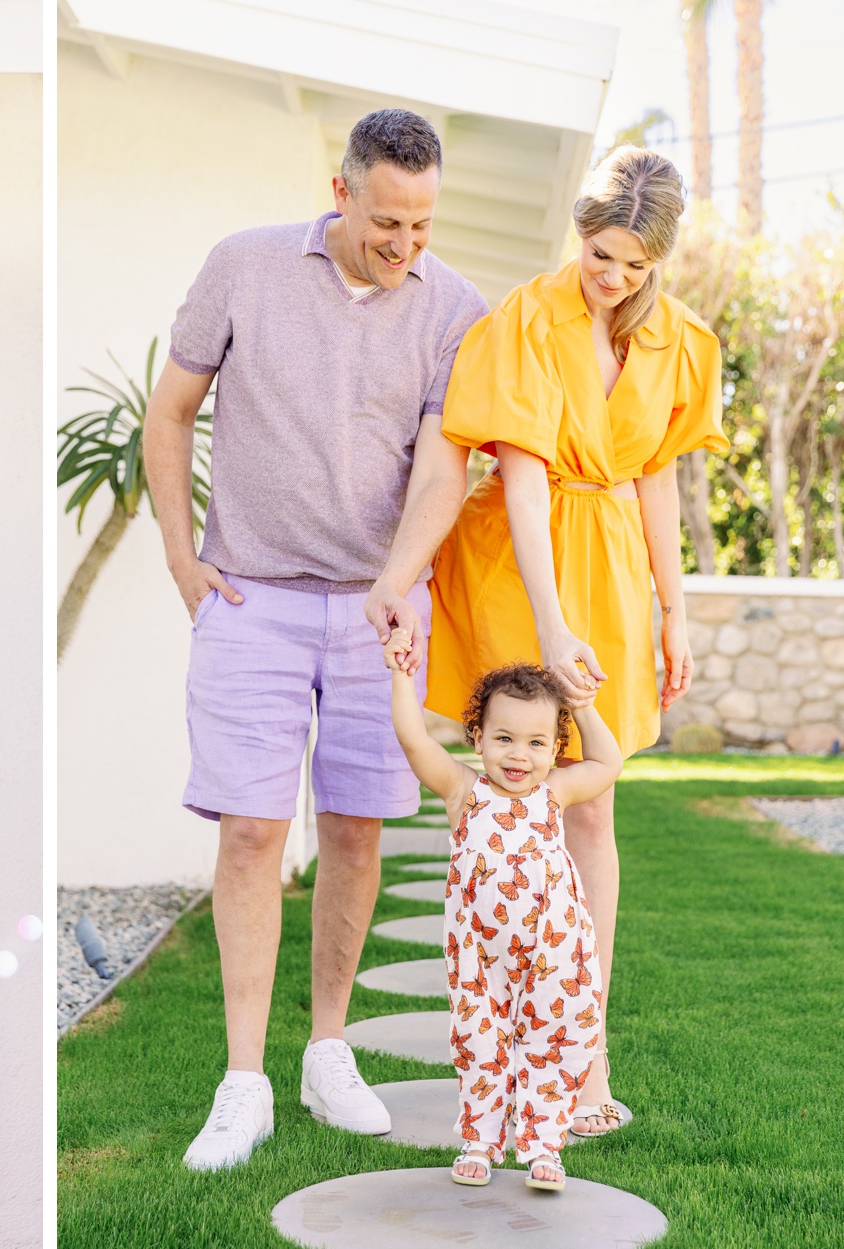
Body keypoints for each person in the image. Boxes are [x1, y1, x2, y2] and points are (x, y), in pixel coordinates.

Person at [143, 108, 491, 1170]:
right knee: (250, 830)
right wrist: (177, 554)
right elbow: (168, 413)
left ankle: (326, 1048)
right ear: (339, 193)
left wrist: (396, 581)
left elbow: (442, 466)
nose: (404, 246)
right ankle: (241, 1079)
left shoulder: (454, 308)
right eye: (388, 221)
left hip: (374, 607)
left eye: (422, 226)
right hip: (248, 595)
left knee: (353, 828)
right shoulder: (243, 267)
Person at [426, 146, 725, 1137]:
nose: (613, 278)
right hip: (520, 564)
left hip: (611, 575)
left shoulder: (680, 342)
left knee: (590, 813)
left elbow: (654, 482)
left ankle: (580, 1052)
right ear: (578, 232)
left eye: (636, 265)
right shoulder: (523, 318)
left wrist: (673, 611)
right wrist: (549, 627)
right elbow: (513, 471)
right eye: (602, 255)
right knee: (510, 798)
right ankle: (495, 1045)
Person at [384, 639, 621, 1191]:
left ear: (555, 746)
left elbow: (608, 762)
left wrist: (579, 704)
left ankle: (543, 1145)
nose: (520, 755)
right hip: (480, 953)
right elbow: (414, 739)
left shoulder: (555, 792)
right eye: (504, 738)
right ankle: (481, 1139)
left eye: (538, 742)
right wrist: (401, 677)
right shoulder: (464, 792)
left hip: (551, 947)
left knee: (555, 1037)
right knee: (479, 1037)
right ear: (477, 738)